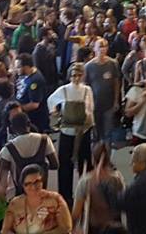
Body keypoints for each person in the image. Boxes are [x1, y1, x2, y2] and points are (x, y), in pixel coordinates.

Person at [47, 61, 94, 207]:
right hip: (67, 131)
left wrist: (88, 118)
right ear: (70, 76)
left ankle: (85, 193)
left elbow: (90, 108)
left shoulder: (87, 90)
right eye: (74, 75)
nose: (77, 78)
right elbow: (51, 100)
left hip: (83, 131)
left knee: (84, 164)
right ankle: (65, 195)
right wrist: (55, 112)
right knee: (65, 165)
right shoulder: (64, 90)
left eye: (80, 75)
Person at [0, 112, 58, 195]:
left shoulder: (9, 148)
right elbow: (55, 165)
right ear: (29, 123)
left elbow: (3, 178)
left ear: (12, 128)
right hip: (41, 190)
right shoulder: (44, 140)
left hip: (21, 193)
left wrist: (1, 204)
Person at [2, 164, 72, 234]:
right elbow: (5, 230)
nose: (33, 187)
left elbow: (67, 228)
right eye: (28, 184)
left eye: (37, 182)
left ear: (42, 181)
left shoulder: (55, 199)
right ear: (22, 186)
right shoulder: (15, 204)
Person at [85, 39, 121, 143]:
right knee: (96, 132)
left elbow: (116, 83)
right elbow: (86, 87)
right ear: (94, 48)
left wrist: (115, 101)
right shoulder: (89, 66)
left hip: (108, 104)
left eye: (105, 46)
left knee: (108, 133)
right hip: (94, 105)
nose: (102, 49)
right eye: (100, 46)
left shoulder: (113, 63)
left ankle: (106, 156)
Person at [16, 53, 50, 135]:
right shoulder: (26, 75)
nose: (16, 69)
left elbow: (34, 104)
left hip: (35, 120)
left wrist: (18, 109)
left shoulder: (35, 81)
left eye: (18, 67)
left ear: (27, 67)